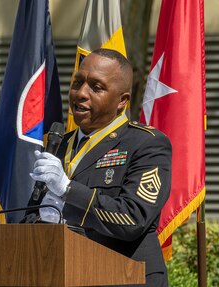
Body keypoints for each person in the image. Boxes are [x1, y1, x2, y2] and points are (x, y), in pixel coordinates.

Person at [29, 48, 172, 286]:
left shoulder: (147, 144)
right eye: (77, 82)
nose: (81, 93)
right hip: (64, 274)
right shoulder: (58, 144)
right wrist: (43, 219)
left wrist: (68, 190)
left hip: (126, 277)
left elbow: (132, 218)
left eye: (96, 87)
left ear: (122, 101)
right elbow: (31, 212)